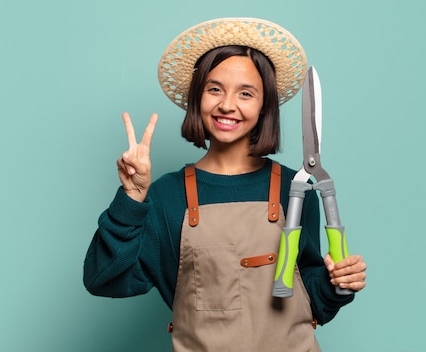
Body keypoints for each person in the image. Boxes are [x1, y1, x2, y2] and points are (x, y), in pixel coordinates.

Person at [83, 17, 367, 351]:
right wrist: (132, 198)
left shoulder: (295, 188)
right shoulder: (166, 197)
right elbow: (103, 279)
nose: (227, 104)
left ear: (264, 107)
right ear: (197, 97)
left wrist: (338, 283)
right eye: (214, 89)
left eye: (246, 93)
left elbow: (314, 302)